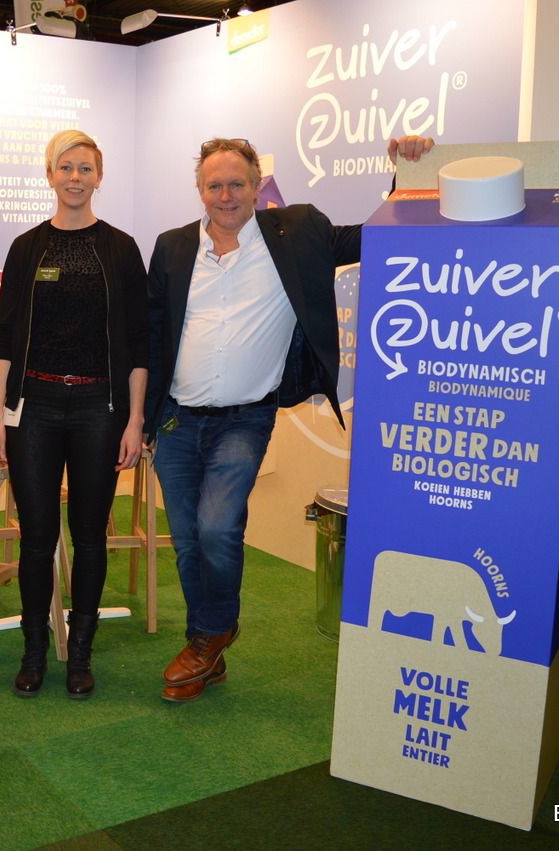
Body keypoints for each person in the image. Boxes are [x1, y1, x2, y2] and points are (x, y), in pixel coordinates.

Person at [144, 135, 432, 702]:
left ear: (257, 186)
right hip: (176, 418)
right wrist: (141, 418)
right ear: (200, 190)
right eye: (214, 185)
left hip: (244, 420)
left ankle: (208, 636)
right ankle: (207, 648)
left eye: (237, 183)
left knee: (217, 527)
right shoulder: (173, 246)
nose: (226, 195)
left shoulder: (297, 232)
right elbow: (153, 334)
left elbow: (377, 236)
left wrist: (408, 175)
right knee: (187, 541)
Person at [0, 130, 149, 699]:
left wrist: (134, 421)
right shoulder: (26, 248)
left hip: (99, 409)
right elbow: (5, 338)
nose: (75, 177)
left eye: (85, 168)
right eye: (65, 167)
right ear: (50, 175)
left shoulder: (121, 248)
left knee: (89, 535)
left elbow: (138, 343)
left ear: (99, 176)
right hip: (33, 407)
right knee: (37, 536)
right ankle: (34, 650)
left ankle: (80, 651)